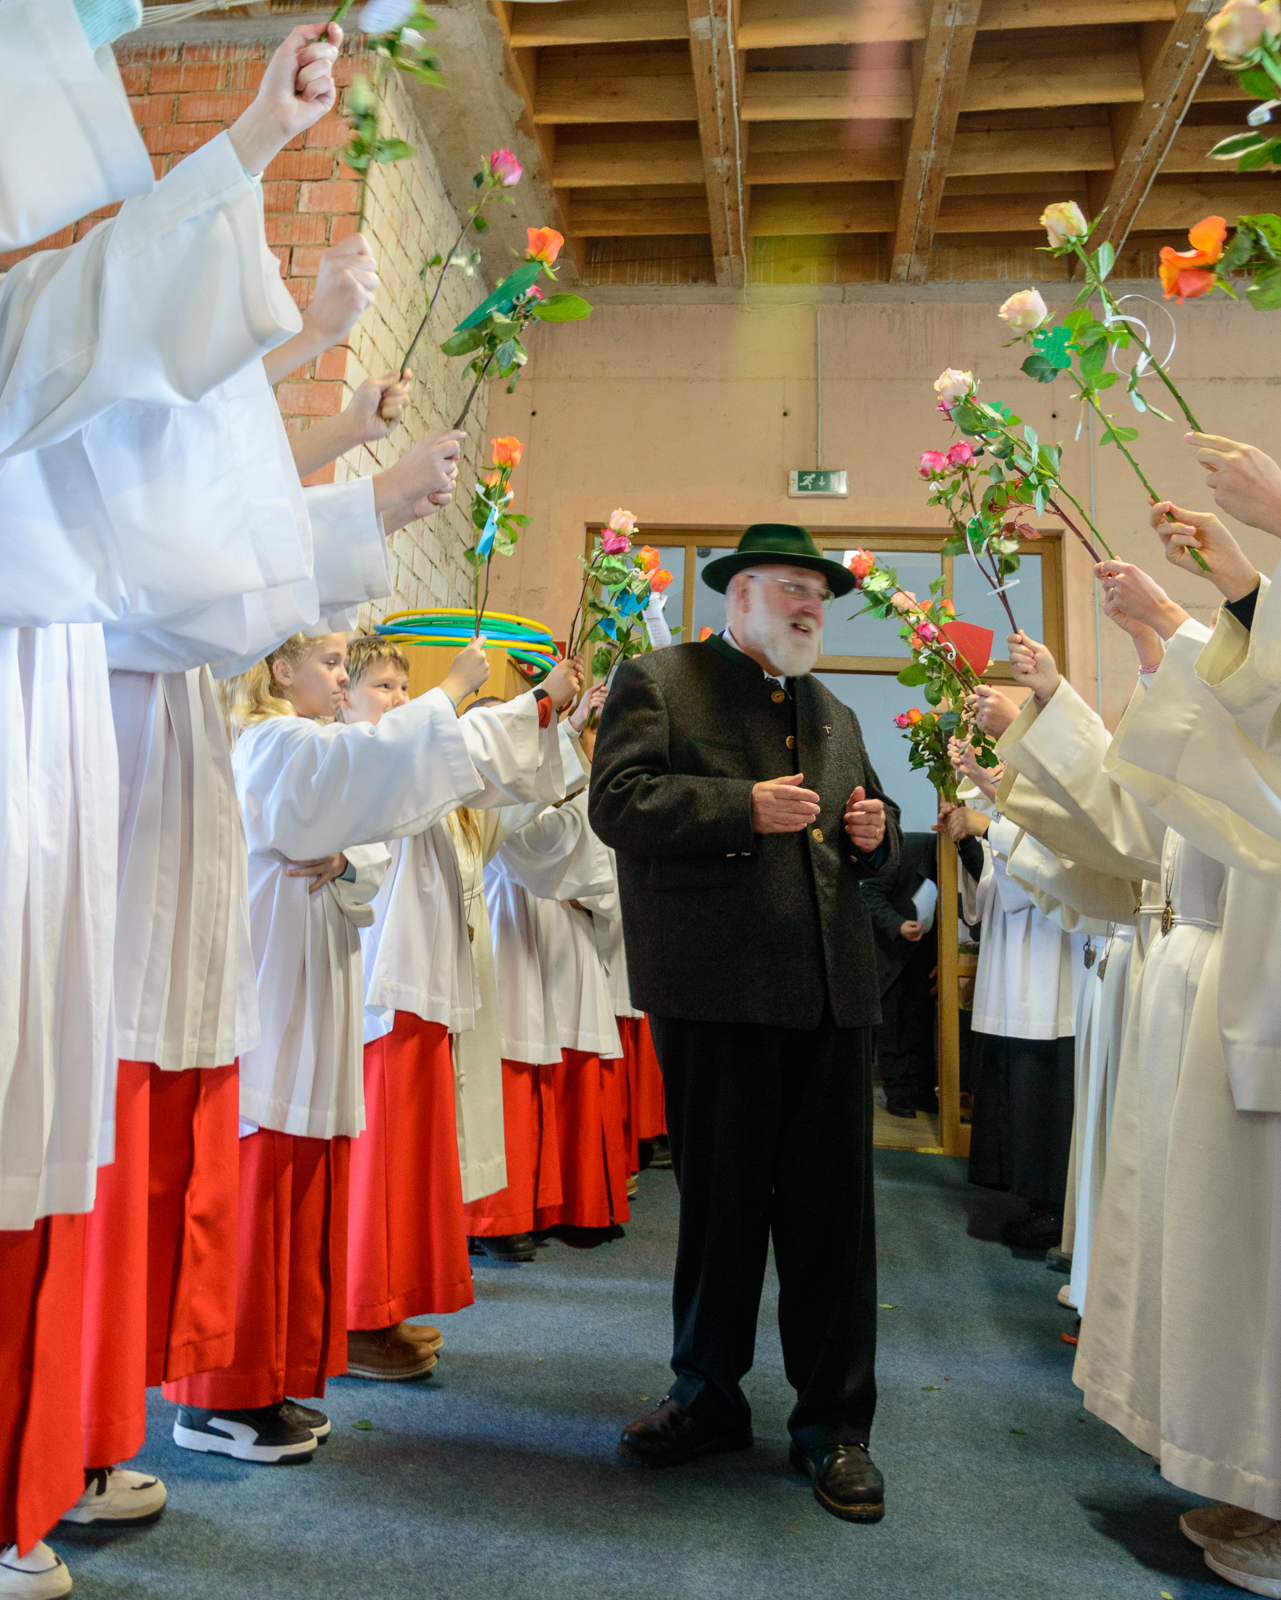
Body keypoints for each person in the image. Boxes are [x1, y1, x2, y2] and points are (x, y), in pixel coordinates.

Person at [588, 523, 899, 1525]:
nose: (811, 606)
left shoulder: (837, 707)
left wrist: (873, 835)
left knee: (834, 1225)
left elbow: (871, 835)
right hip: (716, 992)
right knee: (721, 1218)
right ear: (740, 593)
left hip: (831, 997)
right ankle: (705, 1398)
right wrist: (739, 806)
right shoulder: (661, 680)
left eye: (819, 594)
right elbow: (618, 802)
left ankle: (835, 1428)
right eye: (792, 589)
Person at [860, 831, 949, 1119]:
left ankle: (922, 1091)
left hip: (927, 949)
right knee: (894, 1025)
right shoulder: (906, 848)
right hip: (892, 947)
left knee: (921, 1022)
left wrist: (943, 959)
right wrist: (898, 925)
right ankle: (898, 1094)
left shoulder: (956, 860)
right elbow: (868, 891)